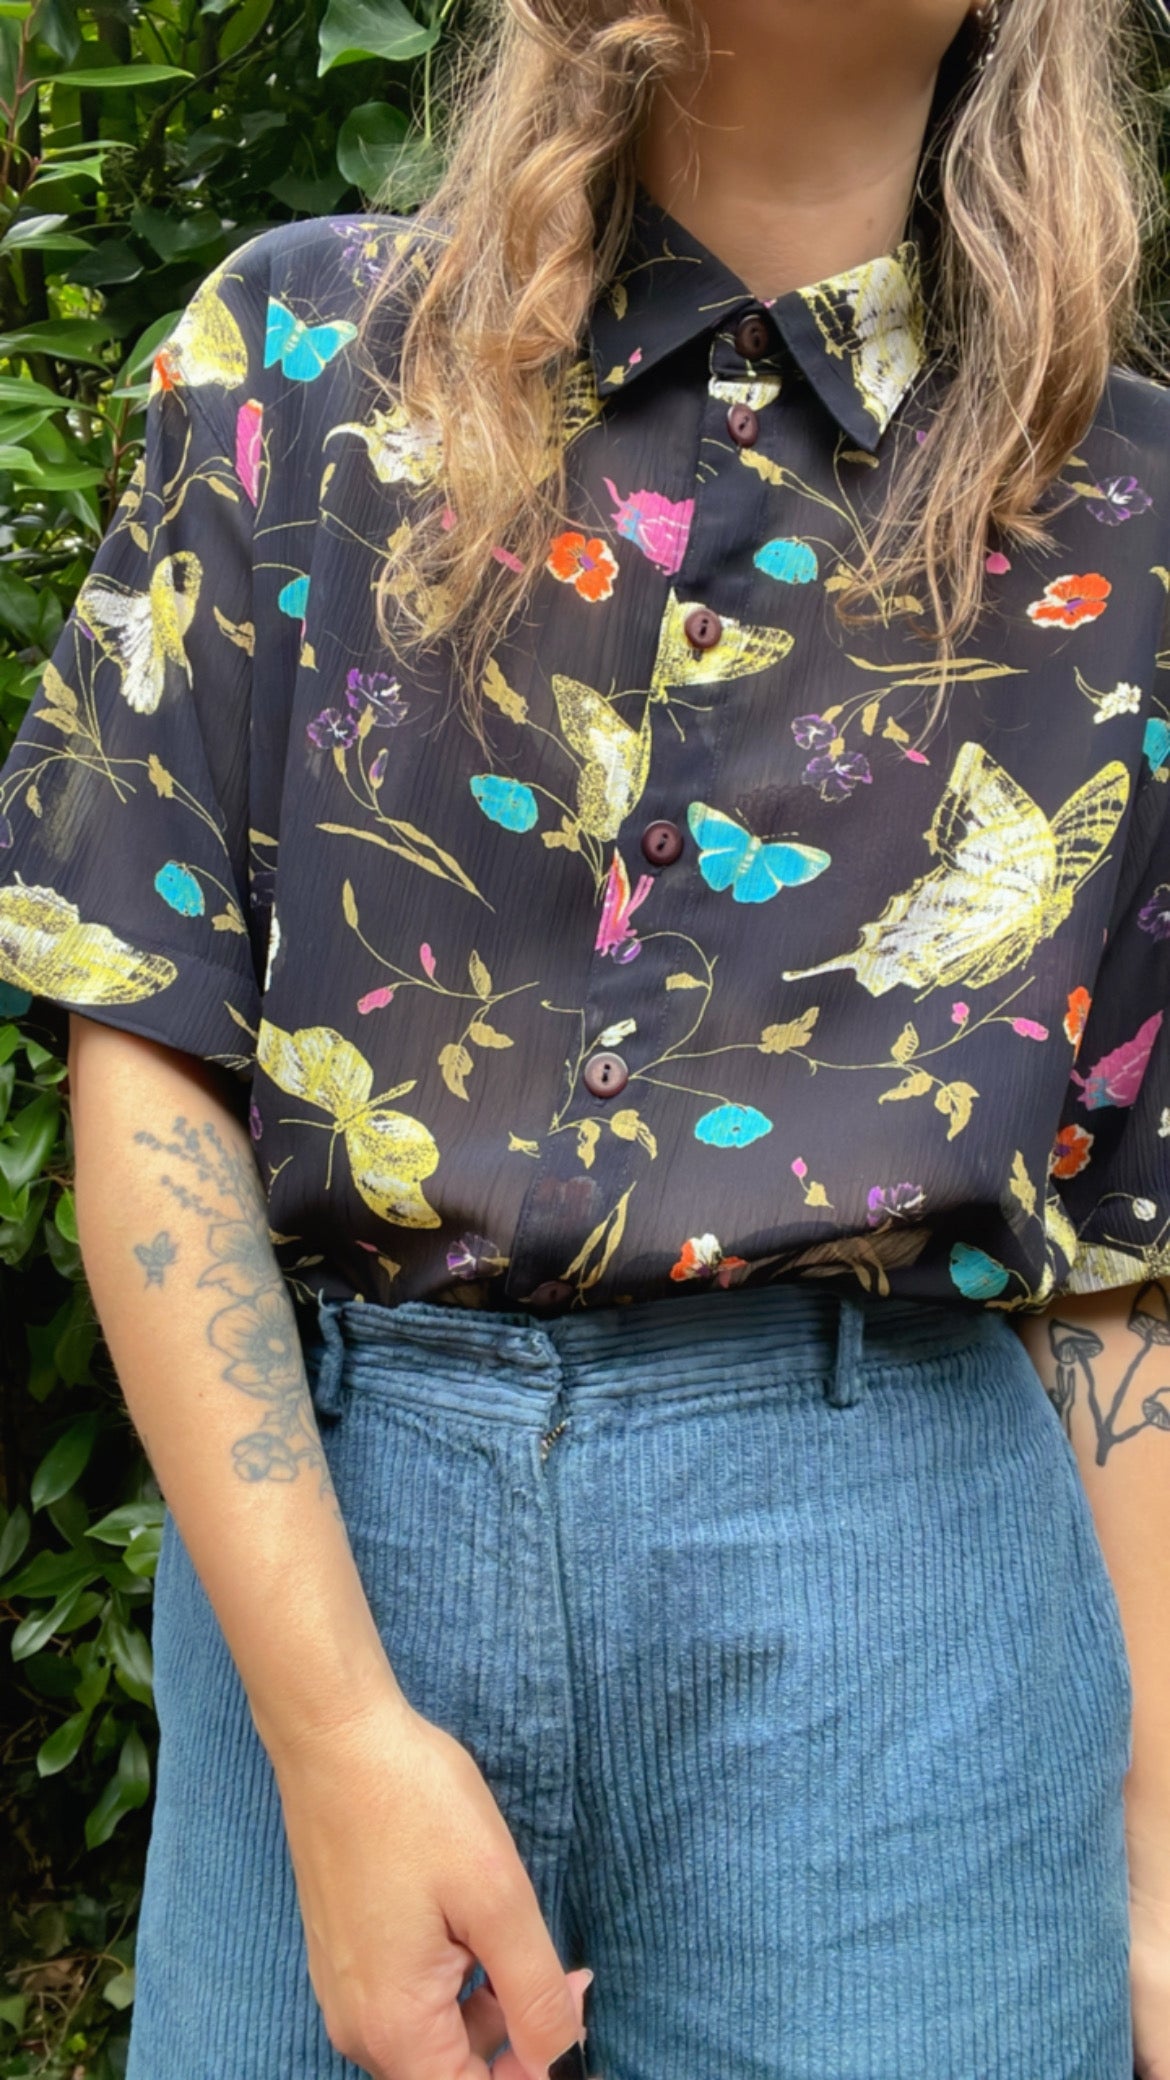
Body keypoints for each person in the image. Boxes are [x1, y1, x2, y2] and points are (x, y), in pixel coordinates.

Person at [1, 0, 1169, 2072]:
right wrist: (334, 1732)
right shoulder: (303, 359)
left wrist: (1158, 1864)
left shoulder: (1129, 518)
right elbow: (149, 1048)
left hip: (908, 1623)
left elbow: (1127, 1257)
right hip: (334, 1536)